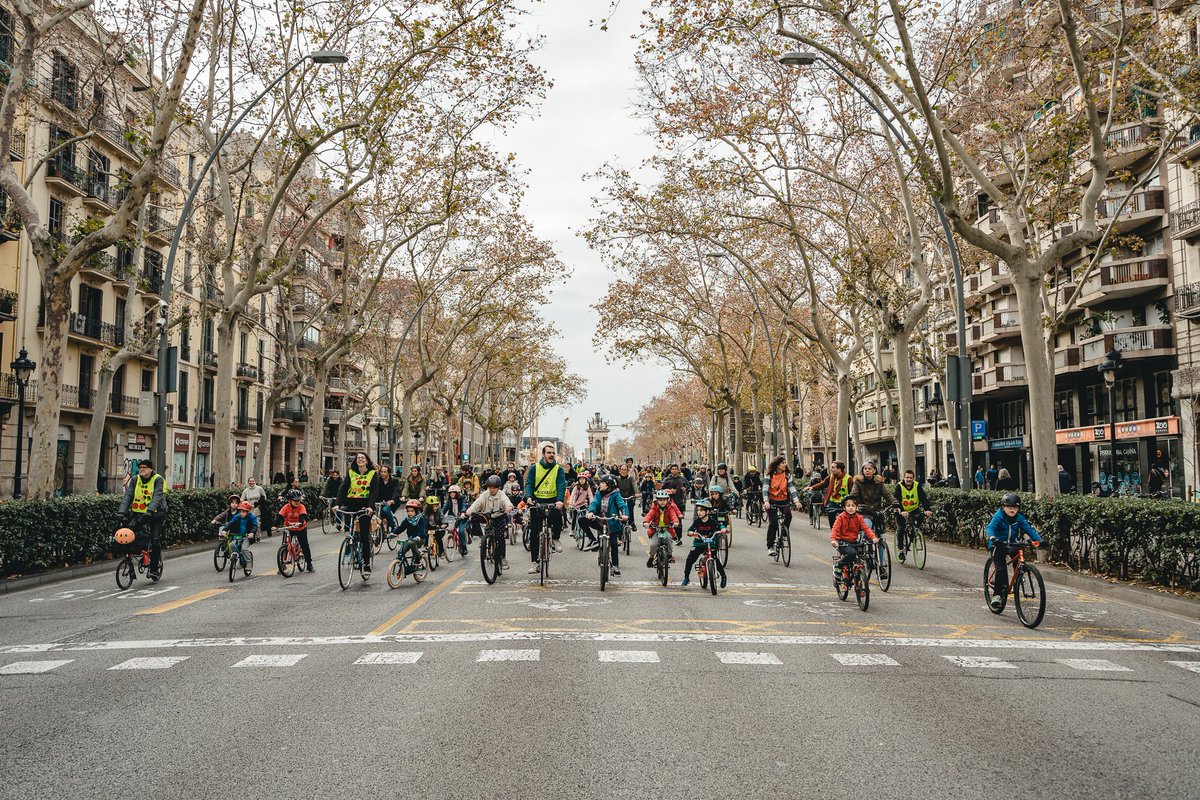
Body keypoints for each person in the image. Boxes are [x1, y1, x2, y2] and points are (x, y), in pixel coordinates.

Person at [985, 493, 1041, 610]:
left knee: (1018, 558)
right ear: (1003, 507)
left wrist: (1039, 541)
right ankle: (997, 595)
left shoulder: (1019, 518)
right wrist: (992, 537)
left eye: (1015, 507)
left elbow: (1029, 529)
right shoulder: (999, 516)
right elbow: (990, 527)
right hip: (998, 544)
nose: (1012, 509)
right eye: (1008, 507)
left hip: (1012, 544)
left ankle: (1019, 576)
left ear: (1018, 508)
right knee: (1001, 569)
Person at [118, 458, 168, 577]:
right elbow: (128, 496)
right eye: (140, 467)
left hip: (156, 514)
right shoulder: (135, 479)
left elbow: (157, 496)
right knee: (129, 536)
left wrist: (150, 511)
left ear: (150, 469)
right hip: (139, 513)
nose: (141, 469)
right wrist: (121, 512)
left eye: (144, 468)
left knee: (155, 540)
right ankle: (129, 561)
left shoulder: (158, 479)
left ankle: (154, 569)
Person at [334, 452, 381, 577]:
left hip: (365, 506)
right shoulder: (351, 473)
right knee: (349, 531)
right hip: (350, 503)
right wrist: (337, 504)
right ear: (355, 461)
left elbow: (374, 492)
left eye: (362, 458)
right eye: (358, 458)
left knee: (364, 535)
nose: (360, 459)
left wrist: (370, 507)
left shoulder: (372, 473)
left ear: (367, 461)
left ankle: (366, 564)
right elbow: (343, 489)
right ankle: (350, 542)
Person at [524, 442, 567, 573]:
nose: (551, 455)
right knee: (534, 534)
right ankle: (535, 563)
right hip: (537, 502)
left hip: (553, 501)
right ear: (543, 454)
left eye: (553, 453)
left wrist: (560, 500)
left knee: (558, 518)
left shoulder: (558, 469)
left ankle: (556, 538)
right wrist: (529, 496)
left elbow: (561, 484)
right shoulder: (534, 468)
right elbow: (529, 483)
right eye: (549, 452)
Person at [581, 474, 629, 577]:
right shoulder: (598, 493)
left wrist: (625, 514)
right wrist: (591, 512)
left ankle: (615, 566)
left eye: (602, 483)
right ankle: (593, 540)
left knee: (614, 544)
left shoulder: (616, 494)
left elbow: (622, 505)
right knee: (581, 520)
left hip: (611, 523)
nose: (600, 484)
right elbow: (594, 502)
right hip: (599, 520)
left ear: (609, 485)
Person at [467, 475, 513, 569]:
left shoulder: (501, 494)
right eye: (490, 487)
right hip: (487, 517)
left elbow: (506, 501)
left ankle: (502, 557)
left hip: (498, 517)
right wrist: (470, 510)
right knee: (474, 518)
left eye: (494, 488)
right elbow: (477, 503)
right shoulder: (484, 494)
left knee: (500, 538)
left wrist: (508, 507)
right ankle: (482, 538)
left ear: (498, 488)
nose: (492, 490)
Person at [830, 496, 879, 583]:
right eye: (848, 506)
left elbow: (866, 529)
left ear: (857, 507)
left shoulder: (859, 517)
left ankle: (858, 579)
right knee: (852, 553)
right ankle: (839, 567)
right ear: (844, 508)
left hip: (854, 541)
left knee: (859, 557)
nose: (851, 508)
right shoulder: (841, 517)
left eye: (853, 506)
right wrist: (833, 540)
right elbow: (835, 529)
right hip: (842, 542)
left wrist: (873, 537)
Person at [680, 499, 727, 589]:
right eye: (698, 510)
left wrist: (722, 529)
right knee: (689, 559)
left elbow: (719, 526)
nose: (699, 512)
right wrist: (691, 532)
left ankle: (723, 576)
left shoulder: (712, 521)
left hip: (710, 544)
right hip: (699, 544)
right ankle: (686, 577)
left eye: (701, 510)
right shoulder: (697, 522)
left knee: (715, 559)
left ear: (707, 511)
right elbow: (690, 529)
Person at [763, 455, 801, 558]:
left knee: (788, 516)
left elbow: (792, 489)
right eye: (782, 463)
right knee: (774, 523)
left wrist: (797, 501)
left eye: (785, 463)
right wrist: (766, 501)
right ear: (777, 464)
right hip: (771, 502)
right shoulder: (769, 475)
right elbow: (765, 489)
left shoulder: (787, 475)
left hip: (784, 501)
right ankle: (770, 547)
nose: (785, 464)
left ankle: (784, 534)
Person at [893, 469, 932, 557]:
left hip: (914, 509)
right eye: (907, 477)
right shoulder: (899, 486)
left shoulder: (917, 485)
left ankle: (914, 532)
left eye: (911, 478)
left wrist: (927, 509)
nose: (909, 479)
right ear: (904, 478)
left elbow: (923, 498)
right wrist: (902, 510)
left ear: (913, 478)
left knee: (921, 517)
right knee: (901, 529)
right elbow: (896, 499)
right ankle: (900, 550)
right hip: (901, 510)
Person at [276, 488, 314, 572]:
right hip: (289, 528)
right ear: (289, 500)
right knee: (285, 544)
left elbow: (302, 517)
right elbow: (280, 516)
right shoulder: (286, 507)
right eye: (295, 500)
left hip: (300, 528)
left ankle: (309, 563)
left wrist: (300, 523)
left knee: (304, 545)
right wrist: (274, 526)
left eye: (298, 500)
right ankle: (282, 564)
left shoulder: (301, 507)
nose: (297, 502)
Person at [807, 460, 851, 528]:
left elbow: (853, 492)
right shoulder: (831, 477)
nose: (831, 469)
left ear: (839, 469)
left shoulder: (848, 479)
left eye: (833, 467)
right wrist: (812, 487)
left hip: (845, 503)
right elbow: (823, 484)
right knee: (831, 516)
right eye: (831, 467)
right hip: (833, 502)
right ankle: (833, 531)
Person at [643, 489, 680, 567]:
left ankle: (669, 555)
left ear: (667, 500)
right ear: (657, 500)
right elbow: (649, 515)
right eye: (660, 500)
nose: (662, 502)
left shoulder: (670, 508)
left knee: (669, 539)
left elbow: (673, 515)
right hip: (655, 529)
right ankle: (651, 557)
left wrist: (676, 522)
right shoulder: (654, 508)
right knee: (654, 544)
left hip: (667, 528)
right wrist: (646, 522)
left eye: (664, 500)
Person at [849, 461, 888, 532]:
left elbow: (887, 495)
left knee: (880, 532)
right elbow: (853, 495)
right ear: (862, 471)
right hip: (864, 512)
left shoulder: (879, 483)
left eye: (869, 469)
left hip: (877, 513)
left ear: (874, 470)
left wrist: (895, 503)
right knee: (867, 528)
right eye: (865, 469)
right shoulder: (858, 482)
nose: (867, 470)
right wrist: (851, 503)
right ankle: (864, 538)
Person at [222, 501, 259, 568]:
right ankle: (235, 559)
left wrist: (252, 533)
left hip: (247, 536)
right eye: (240, 511)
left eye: (243, 512)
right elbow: (230, 524)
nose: (241, 513)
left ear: (248, 512)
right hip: (238, 536)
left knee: (244, 549)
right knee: (231, 545)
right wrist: (224, 530)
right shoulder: (237, 517)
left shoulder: (252, 517)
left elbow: (254, 526)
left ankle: (248, 562)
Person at [394, 499, 428, 572]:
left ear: (416, 511)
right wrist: (393, 533)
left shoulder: (421, 519)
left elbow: (422, 530)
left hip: (420, 539)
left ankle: (418, 555)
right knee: (401, 552)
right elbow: (401, 528)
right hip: (411, 539)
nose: (410, 513)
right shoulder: (407, 520)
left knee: (411, 543)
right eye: (408, 511)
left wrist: (419, 536)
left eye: (412, 511)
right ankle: (404, 567)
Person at [568, 474, 595, 546]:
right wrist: (571, 504)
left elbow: (590, 496)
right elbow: (572, 495)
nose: (582, 480)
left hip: (583, 504)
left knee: (583, 518)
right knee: (574, 517)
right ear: (578, 480)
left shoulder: (587, 487)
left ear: (586, 480)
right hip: (575, 505)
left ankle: (584, 530)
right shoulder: (576, 487)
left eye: (583, 479)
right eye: (580, 479)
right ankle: (572, 530)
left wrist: (592, 504)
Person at [443, 484, 470, 555]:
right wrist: (440, 516)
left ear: (457, 493)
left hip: (462, 518)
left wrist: (463, 513)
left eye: (454, 492)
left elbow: (464, 506)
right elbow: (444, 509)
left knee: (461, 531)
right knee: (449, 529)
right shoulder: (449, 501)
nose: (452, 494)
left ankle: (464, 546)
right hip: (453, 517)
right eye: (450, 492)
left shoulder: (462, 499)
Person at [376, 466, 402, 533]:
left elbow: (396, 491)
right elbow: (375, 491)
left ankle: (393, 526)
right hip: (380, 502)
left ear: (389, 473)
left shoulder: (394, 481)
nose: (382, 473)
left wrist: (392, 500)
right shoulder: (378, 480)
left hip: (391, 503)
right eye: (381, 472)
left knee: (385, 509)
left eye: (385, 472)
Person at [615, 463, 638, 532]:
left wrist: (637, 493)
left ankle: (632, 523)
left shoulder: (631, 478)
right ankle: (617, 523)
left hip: (629, 497)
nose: (623, 471)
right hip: (619, 497)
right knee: (616, 508)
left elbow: (635, 486)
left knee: (630, 508)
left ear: (627, 471)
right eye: (622, 469)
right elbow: (614, 487)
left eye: (625, 469)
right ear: (620, 471)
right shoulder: (617, 479)